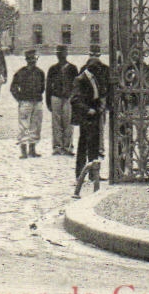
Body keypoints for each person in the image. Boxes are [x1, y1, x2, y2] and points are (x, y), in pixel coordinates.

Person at [72, 46, 107, 196]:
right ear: (91, 68)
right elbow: (74, 100)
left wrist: (99, 106)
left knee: (94, 145)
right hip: (86, 117)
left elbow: (97, 95)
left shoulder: (94, 78)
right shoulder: (80, 79)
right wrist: (88, 110)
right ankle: (80, 173)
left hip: (95, 114)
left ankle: (94, 174)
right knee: (83, 145)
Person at [9, 48, 47, 158]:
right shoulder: (21, 72)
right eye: (30, 59)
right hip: (25, 102)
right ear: (27, 60)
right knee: (24, 126)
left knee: (36, 125)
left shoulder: (40, 72)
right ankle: (23, 150)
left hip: (37, 101)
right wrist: (19, 98)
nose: (32, 62)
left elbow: (42, 87)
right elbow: (13, 87)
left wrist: (38, 95)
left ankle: (32, 149)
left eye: (34, 59)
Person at [46, 45, 78, 155]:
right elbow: (48, 86)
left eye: (62, 53)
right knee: (56, 123)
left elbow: (76, 85)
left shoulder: (73, 68)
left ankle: (68, 146)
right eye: (59, 53)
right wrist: (48, 101)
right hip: (55, 97)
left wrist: (74, 98)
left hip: (68, 98)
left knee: (68, 123)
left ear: (66, 54)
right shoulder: (53, 69)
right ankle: (57, 147)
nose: (60, 56)